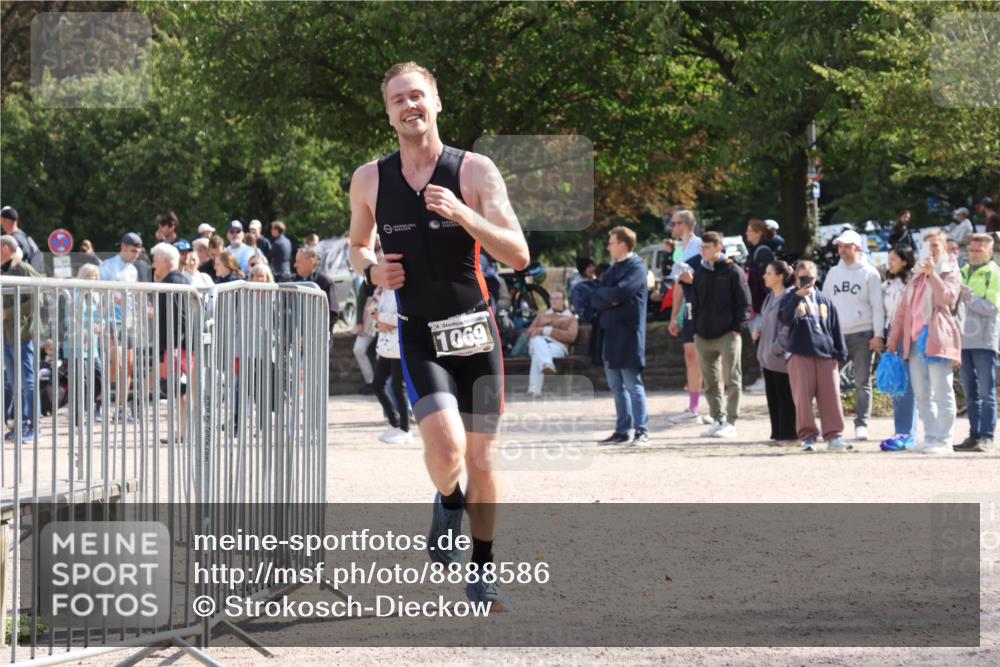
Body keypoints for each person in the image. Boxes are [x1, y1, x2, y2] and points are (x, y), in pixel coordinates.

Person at [348, 62, 529, 611]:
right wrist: (373, 271)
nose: (409, 106)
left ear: (436, 102)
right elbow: (358, 246)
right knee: (447, 450)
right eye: (398, 99)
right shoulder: (370, 179)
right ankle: (447, 501)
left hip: (477, 333)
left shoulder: (474, 172)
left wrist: (463, 215)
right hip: (419, 334)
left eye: (418, 96)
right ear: (388, 112)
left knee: (482, 459)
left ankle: (483, 570)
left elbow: (518, 253)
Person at [886, 231, 962, 454]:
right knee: (921, 392)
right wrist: (893, 339)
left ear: (945, 247)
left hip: (938, 338)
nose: (932, 250)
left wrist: (933, 276)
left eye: (936, 245)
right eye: (928, 246)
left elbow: (947, 299)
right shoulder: (916, 276)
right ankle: (930, 437)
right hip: (915, 340)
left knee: (942, 390)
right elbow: (902, 311)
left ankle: (945, 439)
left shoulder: (950, 271)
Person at [779, 261, 851, 452]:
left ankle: (834, 436)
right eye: (803, 275)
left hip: (826, 353)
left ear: (817, 276)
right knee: (802, 398)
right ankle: (808, 437)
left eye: (811, 275)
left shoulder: (824, 299)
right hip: (800, 352)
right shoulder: (789, 296)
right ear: (796, 276)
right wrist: (797, 298)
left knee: (831, 396)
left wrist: (840, 350)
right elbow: (784, 318)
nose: (807, 278)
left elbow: (835, 326)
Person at [821, 229, 884, 441]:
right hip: (837, 334)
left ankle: (862, 424)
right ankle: (831, 424)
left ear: (857, 248)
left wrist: (878, 334)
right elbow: (825, 305)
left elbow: (877, 307)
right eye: (840, 247)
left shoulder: (870, 273)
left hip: (862, 333)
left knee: (862, 381)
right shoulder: (833, 273)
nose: (842, 251)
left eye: (846, 247)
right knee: (829, 381)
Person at [590, 226, 649, 445]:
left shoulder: (637, 268)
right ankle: (622, 430)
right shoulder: (614, 269)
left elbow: (621, 293)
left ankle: (642, 431)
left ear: (623, 244)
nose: (608, 247)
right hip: (610, 335)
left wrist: (610, 297)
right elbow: (597, 297)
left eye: (611, 243)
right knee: (616, 387)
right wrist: (610, 297)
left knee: (633, 384)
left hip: (629, 335)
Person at [691, 231, 752, 439]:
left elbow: (744, 302)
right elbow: (695, 303)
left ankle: (731, 422)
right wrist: (695, 329)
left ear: (718, 248)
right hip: (703, 335)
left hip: (727, 333)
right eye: (701, 247)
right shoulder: (699, 272)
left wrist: (737, 327)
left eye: (706, 247)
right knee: (710, 382)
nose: (703, 251)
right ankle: (718, 419)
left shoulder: (733, 270)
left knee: (732, 379)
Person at [956, 234, 999, 452]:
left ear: (989, 253)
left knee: (986, 392)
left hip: (984, 341)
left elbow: (993, 308)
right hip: (963, 341)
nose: (973, 254)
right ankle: (974, 435)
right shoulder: (961, 272)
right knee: (970, 394)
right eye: (971, 250)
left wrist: (969, 298)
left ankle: (988, 437)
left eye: (978, 250)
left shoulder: (995, 273)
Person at [666, 209, 707, 424]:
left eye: (674, 223)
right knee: (690, 355)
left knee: (709, 357)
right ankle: (693, 407)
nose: (671, 227)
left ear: (683, 224)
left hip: (705, 308)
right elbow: (678, 286)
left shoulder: (701, 246)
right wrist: (675, 317)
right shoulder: (679, 250)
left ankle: (716, 408)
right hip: (689, 308)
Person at [879, 244, 920, 451]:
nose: (890, 263)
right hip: (890, 335)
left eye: (894, 259)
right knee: (896, 384)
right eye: (889, 259)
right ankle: (900, 429)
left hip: (908, 336)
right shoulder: (887, 284)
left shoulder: (913, 282)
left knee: (908, 385)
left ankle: (909, 432)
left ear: (905, 261)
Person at [1, 235, 40, 443]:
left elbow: (38, 298)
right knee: (15, 382)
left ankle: (34, 427)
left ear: (7, 248)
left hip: (22, 333)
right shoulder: (8, 270)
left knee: (27, 382)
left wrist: (7, 312)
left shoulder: (24, 269)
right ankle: (21, 425)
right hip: (8, 334)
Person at [755, 260, 797, 442]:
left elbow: (788, 328)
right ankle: (777, 433)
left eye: (769, 273)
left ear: (780, 277)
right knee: (773, 397)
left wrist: (776, 348)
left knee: (785, 397)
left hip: (780, 358)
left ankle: (788, 434)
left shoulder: (789, 297)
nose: (765, 276)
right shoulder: (770, 296)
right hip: (767, 359)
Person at [745, 218, 783, 394]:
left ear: (759, 233)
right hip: (758, 305)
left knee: (762, 341)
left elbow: (764, 282)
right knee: (759, 342)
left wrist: (764, 306)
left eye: (750, 231)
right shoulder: (757, 251)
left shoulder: (762, 252)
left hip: (761, 306)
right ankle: (763, 377)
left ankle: (765, 378)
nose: (747, 234)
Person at [372, 287, 413, 444]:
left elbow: (402, 317)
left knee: (397, 386)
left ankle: (405, 428)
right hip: (386, 346)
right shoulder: (383, 291)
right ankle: (394, 423)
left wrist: (380, 317)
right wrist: (378, 323)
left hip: (398, 346)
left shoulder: (401, 291)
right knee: (377, 385)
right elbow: (377, 319)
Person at [525, 290, 578, 398]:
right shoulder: (542, 315)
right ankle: (547, 364)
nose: (554, 301)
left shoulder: (570, 318)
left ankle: (535, 390)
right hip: (538, 342)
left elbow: (571, 336)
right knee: (538, 341)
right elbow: (530, 331)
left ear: (564, 301)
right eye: (552, 299)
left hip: (557, 346)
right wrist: (538, 332)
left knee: (537, 352)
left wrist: (548, 331)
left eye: (557, 298)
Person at [295, 246, 340, 328]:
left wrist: (312, 332)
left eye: (299, 261)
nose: (295, 265)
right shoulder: (295, 281)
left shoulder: (326, 282)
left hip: (318, 338)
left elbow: (333, 314)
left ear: (311, 261)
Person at [1, 205, 44, 272]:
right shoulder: (22, 236)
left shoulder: (14, 240)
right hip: (30, 277)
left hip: (24, 279)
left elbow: (18, 256)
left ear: (4, 220)